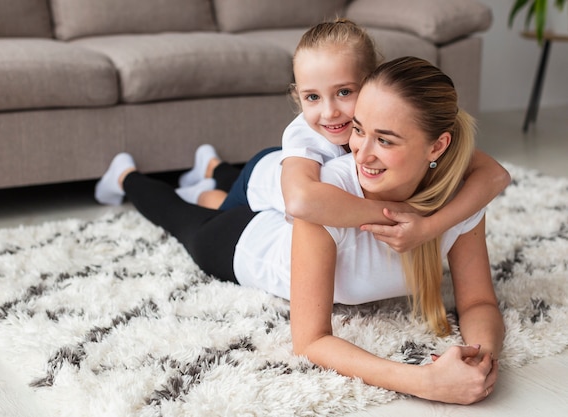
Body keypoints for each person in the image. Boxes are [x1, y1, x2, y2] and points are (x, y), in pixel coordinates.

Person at [94, 56, 504, 405]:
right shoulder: (329, 194)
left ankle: (212, 173)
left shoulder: (457, 199)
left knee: (221, 199)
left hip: (289, 223)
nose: (361, 150)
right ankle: (126, 176)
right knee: (180, 215)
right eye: (358, 129)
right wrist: (423, 382)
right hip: (243, 245)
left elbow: (479, 302)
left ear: (438, 146)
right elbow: (309, 341)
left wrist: (479, 359)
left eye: (386, 140)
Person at [169, 19, 511, 253]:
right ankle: (205, 182)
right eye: (312, 97)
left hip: (282, 174)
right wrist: (403, 212)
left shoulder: (391, 118)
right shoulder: (304, 134)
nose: (330, 112)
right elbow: (300, 202)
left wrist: (431, 225)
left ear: (373, 81)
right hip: (264, 183)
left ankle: (213, 163)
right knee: (218, 208)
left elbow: (495, 175)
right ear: (298, 95)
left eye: (345, 92)